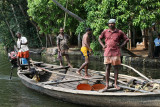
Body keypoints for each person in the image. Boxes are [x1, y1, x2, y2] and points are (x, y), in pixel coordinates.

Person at [98, 19, 129, 91]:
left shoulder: (119, 32)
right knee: (107, 68)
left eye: (112, 23)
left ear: (115, 24)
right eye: (110, 23)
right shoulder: (105, 31)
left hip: (116, 52)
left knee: (116, 68)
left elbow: (127, 39)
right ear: (108, 24)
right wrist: (103, 45)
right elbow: (99, 38)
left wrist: (121, 45)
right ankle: (107, 84)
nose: (111, 24)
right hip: (107, 52)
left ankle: (115, 84)